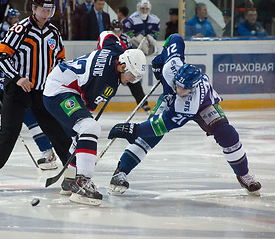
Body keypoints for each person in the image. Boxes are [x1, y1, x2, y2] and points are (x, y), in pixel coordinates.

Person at [107, 33, 262, 197]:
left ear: (192, 88)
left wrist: (133, 130)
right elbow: (175, 38)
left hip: (204, 105)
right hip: (170, 98)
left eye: (184, 89)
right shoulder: (171, 66)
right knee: (150, 136)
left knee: (226, 133)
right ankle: (121, 171)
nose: (179, 91)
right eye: (177, 85)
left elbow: (162, 124)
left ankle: (244, 174)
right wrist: (162, 56)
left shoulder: (188, 104)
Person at [0, 0, 72, 190]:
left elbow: (60, 59)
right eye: (43, 9)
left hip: (43, 90)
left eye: (49, 10)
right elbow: (0, 56)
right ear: (34, 9)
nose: (46, 14)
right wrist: (18, 78)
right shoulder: (21, 29)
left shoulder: (54, 32)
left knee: (56, 129)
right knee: (9, 131)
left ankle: (75, 169)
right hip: (18, 88)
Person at [42, 48, 147, 206]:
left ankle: (70, 179)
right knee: (89, 128)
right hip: (59, 90)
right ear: (122, 66)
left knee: (82, 133)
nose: (132, 81)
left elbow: (106, 36)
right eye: (132, 75)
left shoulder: (114, 52)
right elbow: (89, 105)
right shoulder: (107, 82)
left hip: (61, 84)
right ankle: (81, 182)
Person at [0, 44, 57, 170]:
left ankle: (48, 151)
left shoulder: (28, 61)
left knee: (31, 118)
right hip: (1, 88)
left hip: (22, 89)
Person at [98, 19, 151, 112]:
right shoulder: (107, 38)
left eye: (119, 30)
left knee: (133, 81)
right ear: (111, 29)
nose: (117, 32)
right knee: (102, 84)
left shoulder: (126, 39)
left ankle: (143, 103)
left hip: (123, 65)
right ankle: (94, 102)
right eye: (115, 30)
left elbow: (131, 54)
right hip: (110, 66)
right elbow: (99, 53)